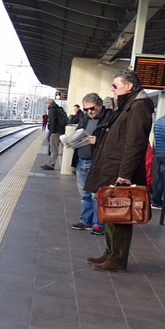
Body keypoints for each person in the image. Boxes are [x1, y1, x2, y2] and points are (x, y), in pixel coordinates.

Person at [83, 69, 154, 272]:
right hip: (112, 166)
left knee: (119, 214)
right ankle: (110, 252)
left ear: (129, 86)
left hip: (119, 170)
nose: (112, 89)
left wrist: (126, 174)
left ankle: (118, 258)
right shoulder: (127, 105)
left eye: (115, 85)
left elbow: (135, 142)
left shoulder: (138, 106)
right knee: (110, 212)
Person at [69, 93, 109, 235]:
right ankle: (85, 220)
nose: (89, 112)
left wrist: (98, 141)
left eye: (92, 108)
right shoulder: (84, 118)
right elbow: (77, 133)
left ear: (99, 105)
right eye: (86, 109)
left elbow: (114, 142)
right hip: (81, 160)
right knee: (84, 194)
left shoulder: (109, 118)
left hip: (96, 162)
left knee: (95, 194)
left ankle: (98, 222)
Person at [41, 99, 67, 170]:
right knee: (58, 149)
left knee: (54, 149)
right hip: (61, 131)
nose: (46, 105)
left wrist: (51, 131)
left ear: (49, 103)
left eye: (47, 103)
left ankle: (51, 165)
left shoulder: (52, 110)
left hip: (55, 132)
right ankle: (52, 164)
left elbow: (52, 122)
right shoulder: (58, 108)